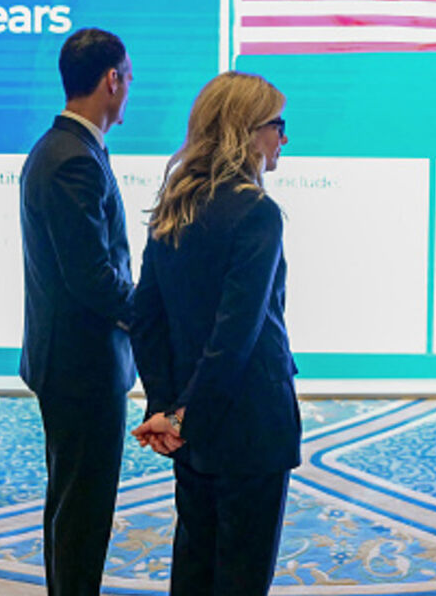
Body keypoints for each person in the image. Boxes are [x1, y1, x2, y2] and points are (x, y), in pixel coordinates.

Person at [130, 71, 300, 596]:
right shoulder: (257, 213)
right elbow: (236, 339)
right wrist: (181, 417)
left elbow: (146, 318)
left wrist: (167, 410)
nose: (283, 138)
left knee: (195, 568)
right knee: (241, 579)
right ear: (246, 131)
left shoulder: (174, 205)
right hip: (248, 430)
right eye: (277, 125)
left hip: (192, 432)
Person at [19, 27, 137, 596]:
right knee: (83, 512)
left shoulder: (61, 147)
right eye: (128, 78)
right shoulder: (74, 160)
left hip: (69, 362)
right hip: (82, 368)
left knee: (70, 504)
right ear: (111, 79)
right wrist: (154, 317)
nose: (129, 90)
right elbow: (93, 278)